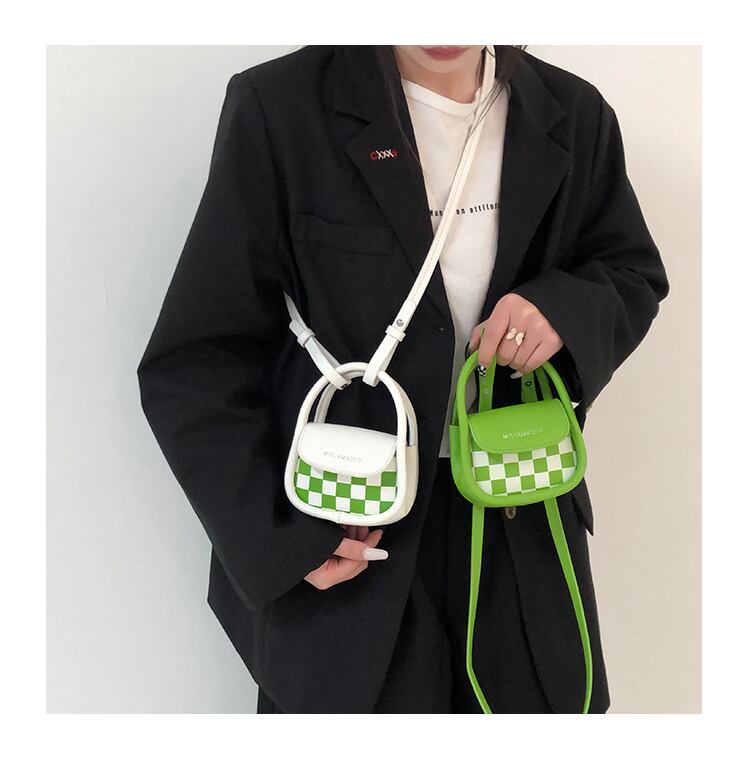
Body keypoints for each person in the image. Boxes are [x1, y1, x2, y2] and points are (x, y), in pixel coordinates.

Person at [137, 45, 669, 713]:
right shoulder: (282, 107)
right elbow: (196, 357)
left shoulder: (571, 112)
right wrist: (279, 541)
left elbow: (629, 269)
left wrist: (562, 309)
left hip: (520, 519)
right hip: (351, 531)